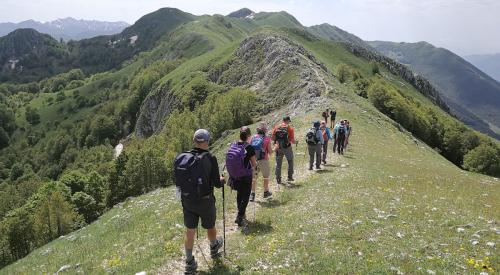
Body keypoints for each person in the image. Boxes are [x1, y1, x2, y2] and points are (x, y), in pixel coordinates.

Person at [174, 129, 225, 274]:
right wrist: (222, 179)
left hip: (187, 200)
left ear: (194, 141)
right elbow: (216, 183)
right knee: (210, 226)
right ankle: (214, 248)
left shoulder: (183, 157)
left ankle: (189, 262)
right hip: (205, 201)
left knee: (190, 230)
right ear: (207, 141)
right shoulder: (210, 157)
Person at [225, 126, 257, 227]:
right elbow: (254, 163)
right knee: (246, 196)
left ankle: (241, 214)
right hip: (246, 175)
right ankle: (240, 216)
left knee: (239, 194)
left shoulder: (233, 145)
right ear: (248, 135)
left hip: (234, 176)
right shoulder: (248, 147)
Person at [250, 123, 274, 202]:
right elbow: (270, 152)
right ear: (265, 131)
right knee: (265, 176)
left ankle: (252, 195)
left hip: (254, 160)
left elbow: (249, 149)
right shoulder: (267, 139)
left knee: (254, 177)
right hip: (264, 160)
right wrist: (276, 148)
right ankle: (266, 192)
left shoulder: (253, 138)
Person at [272, 116, 296, 185]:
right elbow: (292, 140)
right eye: (289, 121)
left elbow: (273, 138)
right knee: (290, 161)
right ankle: (290, 177)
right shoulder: (289, 128)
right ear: (287, 120)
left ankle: (278, 178)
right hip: (287, 147)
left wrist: (277, 142)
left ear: (283, 120)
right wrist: (295, 142)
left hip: (278, 147)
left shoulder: (276, 127)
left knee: (278, 163)